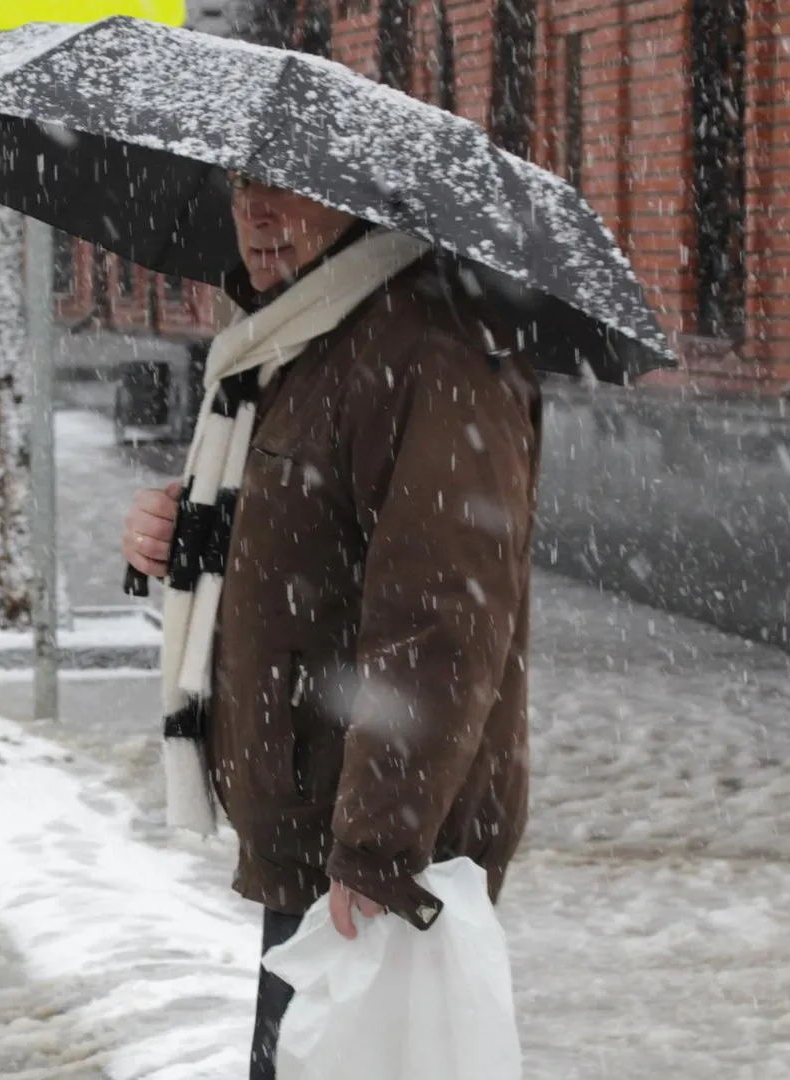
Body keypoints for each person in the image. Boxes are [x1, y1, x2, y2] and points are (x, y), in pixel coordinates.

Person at [121, 175, 539, 1080]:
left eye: (288, 189)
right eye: (240, 187)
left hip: (380, 854)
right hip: (315, 828)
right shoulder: (302, 338)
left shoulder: (431, 354)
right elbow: (302, 538)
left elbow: (440, 622)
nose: (256, 214)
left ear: (358, 196)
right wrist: (180, 532)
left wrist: (379, 851)